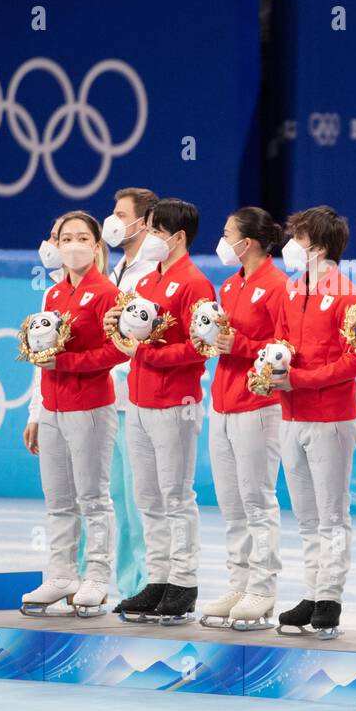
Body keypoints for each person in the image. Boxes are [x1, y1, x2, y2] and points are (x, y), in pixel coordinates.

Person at [104, 198, 215, 623]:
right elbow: (132, 338)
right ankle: (158, 577)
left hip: (176, 403)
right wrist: (118, 327)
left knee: (175, 495)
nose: (147, 237)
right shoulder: (147, 282)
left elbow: (200, 348)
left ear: (177, 237)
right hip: (138, 401)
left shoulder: (196, 285)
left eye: (153, 230)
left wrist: (150, 355)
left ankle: (183, 583)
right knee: (146, 496)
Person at [20, 212, 126, 618]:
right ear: (57, 245)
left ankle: (97, 577)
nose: (74, 244)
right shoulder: (52, 295)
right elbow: (40, 357)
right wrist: (35, 411)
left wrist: (67, 365)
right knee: (58, 500)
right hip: (52, 407)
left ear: (97, 246)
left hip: (92, 407)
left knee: (93, 498)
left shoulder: (108, 294)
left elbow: (118, 351)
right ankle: (62, 573)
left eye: (83, 237)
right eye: (66, 238)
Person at [271, 206, 356, 639]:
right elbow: (278, 344)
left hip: (330, 418)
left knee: (331, 514)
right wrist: (270, 372)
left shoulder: (349, 296)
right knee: (307, 517)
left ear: (321, 247)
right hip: (291, 416)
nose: (290, 244)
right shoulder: (292, 291)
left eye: (299, 237)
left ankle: (330, 597)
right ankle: (312, 592)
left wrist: (302, 379)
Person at [200, 207, 290, 631]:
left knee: (257, 500)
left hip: (259, 405)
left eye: (226, 233)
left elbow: (284, 347)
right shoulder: (230, 284)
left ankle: (263, 587)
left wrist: (239, 344)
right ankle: (238, 582)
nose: (221, 241)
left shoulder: (277, 286)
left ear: (248, 242)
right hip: (222, 402)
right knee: (232, 504)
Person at [101, 187, 159, 607]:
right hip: (111, 400)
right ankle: (127, 585)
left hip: (143, 398)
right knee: (119, 497)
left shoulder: (153, 272)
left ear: (145, 221)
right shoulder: (115, 269)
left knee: (144, 497)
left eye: (122, 213)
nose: (114, 220)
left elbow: (145, 340)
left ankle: (151, 581)